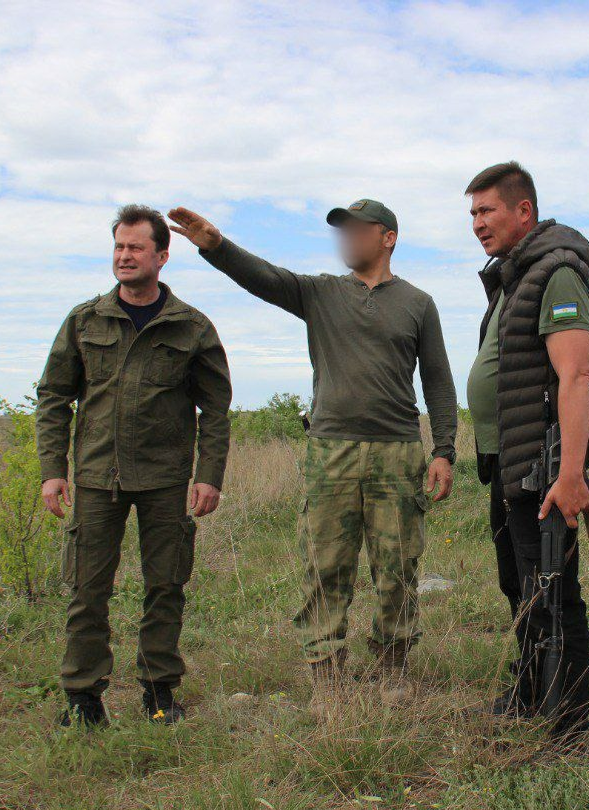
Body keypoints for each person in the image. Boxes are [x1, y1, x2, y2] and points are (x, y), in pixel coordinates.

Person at [167, 200, 457, 712]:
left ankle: (393, 670)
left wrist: (444, 450)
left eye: (356, 230)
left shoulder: (417, 303)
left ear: (387, 237)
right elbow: (264, 278)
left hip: (397, 453)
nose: (345, 239)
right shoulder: (320, 292)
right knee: (325, 564)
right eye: (341, 231)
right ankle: (328, 679)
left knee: (398, 567)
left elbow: (437, 379)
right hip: (331, 452)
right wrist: (216, 246)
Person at [36, 204, 233, 728]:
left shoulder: (191, 327)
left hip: (166, 480)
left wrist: (208, 474)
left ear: (162, 256)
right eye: (119, 247)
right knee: (86, 589)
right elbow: (54, 396)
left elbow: (215, 408)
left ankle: (159, 690)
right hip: (98, 477)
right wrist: (52, 469)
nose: (125, 257)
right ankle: (82, 697)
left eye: (136, 248)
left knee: (166, 584)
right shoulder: (84, 320)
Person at [464, 162, 589, 739]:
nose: (476, 224)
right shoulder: (515, 277)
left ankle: (566, 722)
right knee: (520, 585)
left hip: (541, 464)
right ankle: (527, 694)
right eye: (471, 213)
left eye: (486, 210)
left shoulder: (558, 274)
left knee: (552, 590)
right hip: (509, 462)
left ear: (524, 211)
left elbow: (574, 377)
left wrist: (570, 476)